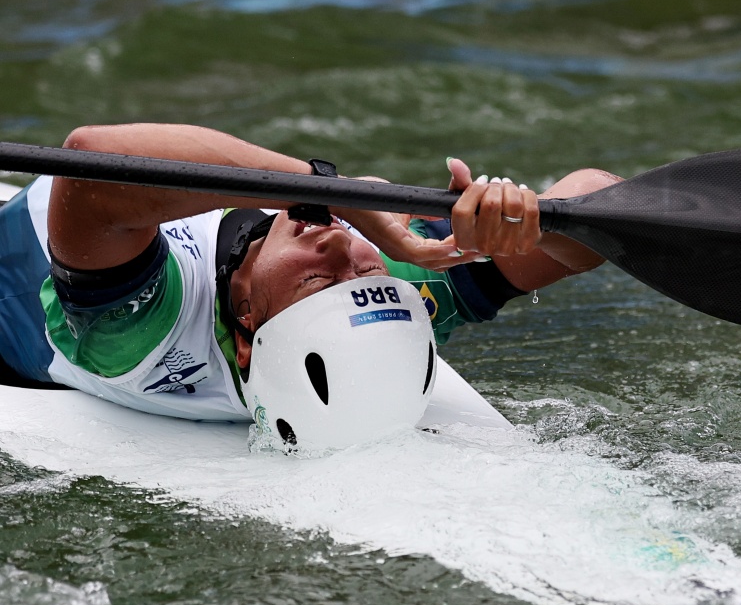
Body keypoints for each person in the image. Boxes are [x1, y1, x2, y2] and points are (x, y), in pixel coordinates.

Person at [0, 123, 618, 444]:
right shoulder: (402, 287)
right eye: (364, 269)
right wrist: (526, 222)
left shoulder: (143, 335)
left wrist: (326, 186)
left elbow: (94, 162)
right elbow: (598, 201)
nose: (343, 244)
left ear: (246, 330)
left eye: (318, 280)